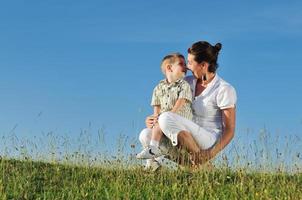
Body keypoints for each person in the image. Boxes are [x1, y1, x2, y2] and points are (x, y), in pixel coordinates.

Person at [140, 41, 237, 168]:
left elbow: (229, 131)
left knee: (165, 118)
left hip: (207, 139)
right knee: (146, 134)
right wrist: (153, 121)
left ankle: (200, 160)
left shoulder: (224, 89)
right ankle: (195, 169)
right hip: (184, 133)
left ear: (203, 65)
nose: (187, 67)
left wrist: (210, 154)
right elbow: (168, 106)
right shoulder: (186, 82)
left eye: (190, 63)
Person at [136, 53, 193, 164]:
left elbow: (180, 102)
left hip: (179, 124)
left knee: (163, 118)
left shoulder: (183, 85)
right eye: (181, 64)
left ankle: (153, 149)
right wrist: (155, 119)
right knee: (144, 133)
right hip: (163, 124)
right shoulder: (158, 87)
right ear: (169, 68)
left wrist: (166, 117)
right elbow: (156, 107)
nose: (185, 67)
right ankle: (152, 163)